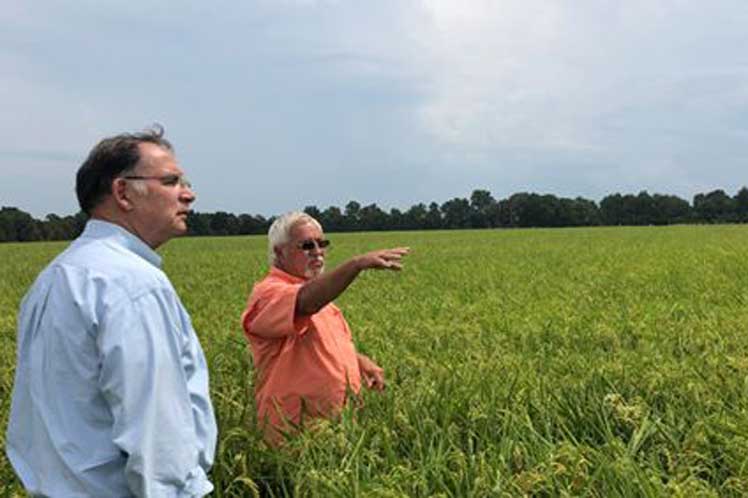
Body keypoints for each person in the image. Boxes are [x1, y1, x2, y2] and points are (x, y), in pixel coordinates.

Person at [5, 127, 217, 496]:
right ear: (123, 192)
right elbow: (158, 439)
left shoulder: (52, 280)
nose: (188, 193)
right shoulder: (133, 285)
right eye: (171, 181)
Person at [241, 212, 409, 442]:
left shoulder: (320, 296)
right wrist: (355, 265)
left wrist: (358, 361)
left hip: (335, 428)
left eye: (322, 244)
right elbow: (304, 302)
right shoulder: (269, 294)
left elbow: (315, 344)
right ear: (279, 252)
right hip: (294, 432)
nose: (317, 251)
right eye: (307, 245)